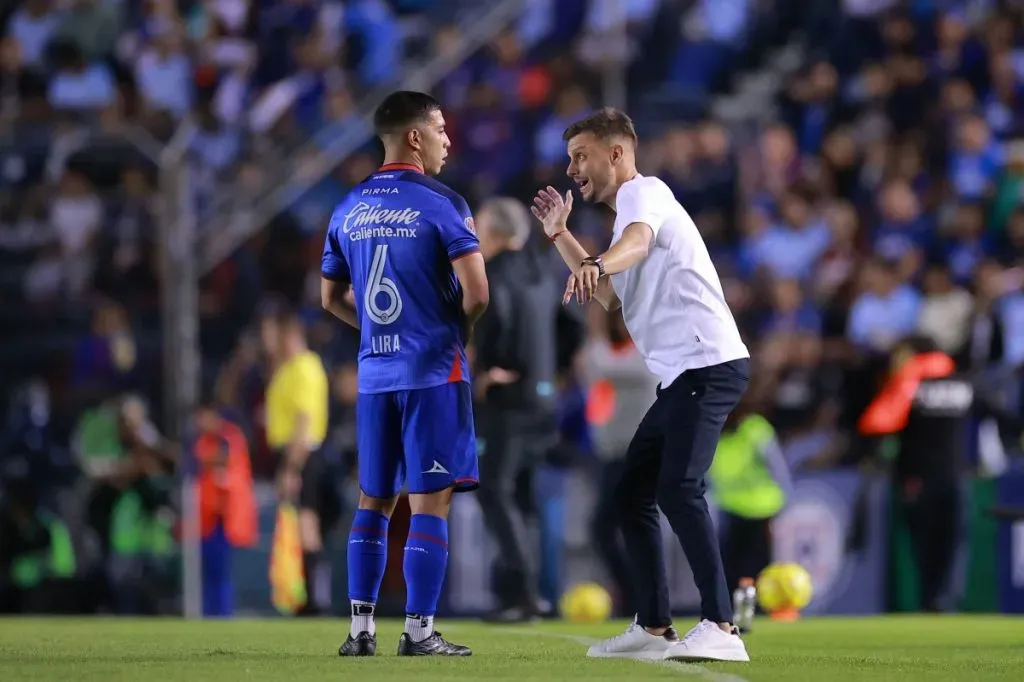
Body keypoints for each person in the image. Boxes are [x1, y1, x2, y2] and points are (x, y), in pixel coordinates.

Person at [531, 107, 751, 662]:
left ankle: (722, 626)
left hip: (707, 362)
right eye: (569, 159)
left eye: (581, 156)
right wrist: (562, 237)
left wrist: (602, 262)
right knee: (633, 493)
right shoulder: (624, 222)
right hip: (684, 374)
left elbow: (635, 243)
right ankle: (653, 627)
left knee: (678, 488)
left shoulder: (642, 192)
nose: (573, 169)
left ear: (616, 153)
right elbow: (610, 297)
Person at [320, 90, 489, 657]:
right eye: (440, 128)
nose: (448, 139)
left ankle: (359, 631)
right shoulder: (444, 203)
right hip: (432, 373)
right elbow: (478, 293)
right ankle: (418, 631)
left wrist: (375, 336)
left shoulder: (347, 207)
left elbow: (330, 297)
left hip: (374, 378)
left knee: (374, 498)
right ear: (414, 137)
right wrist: (449, 330)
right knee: (430, 502)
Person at [473, 196, 561, 622]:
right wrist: (548, 371)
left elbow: (498, 318)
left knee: (494, 489)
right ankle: (519, 592)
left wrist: (491, 366)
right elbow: (572, 326)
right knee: (523, 497)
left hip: (508, 401)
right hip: (544, 399)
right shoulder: (543, 269)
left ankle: (525, 593)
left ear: (494, 233)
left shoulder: (493, 273)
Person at [858, 334, 971, 612]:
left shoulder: (908, 383)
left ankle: (931, 601)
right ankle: (945, 600)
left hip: (916, 478)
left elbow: (877, 423)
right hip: (956, 475)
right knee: (952, 544)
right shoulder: (961, 382)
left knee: (924, 546)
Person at [263, 312, 334, 616]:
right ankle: (306, 598)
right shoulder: (288, 369)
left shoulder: (305, 367)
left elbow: (304, 422)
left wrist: (291, 467)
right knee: (301, 525)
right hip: (296, 452)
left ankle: (316, 601)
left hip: (304, 454)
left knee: (307, 526)